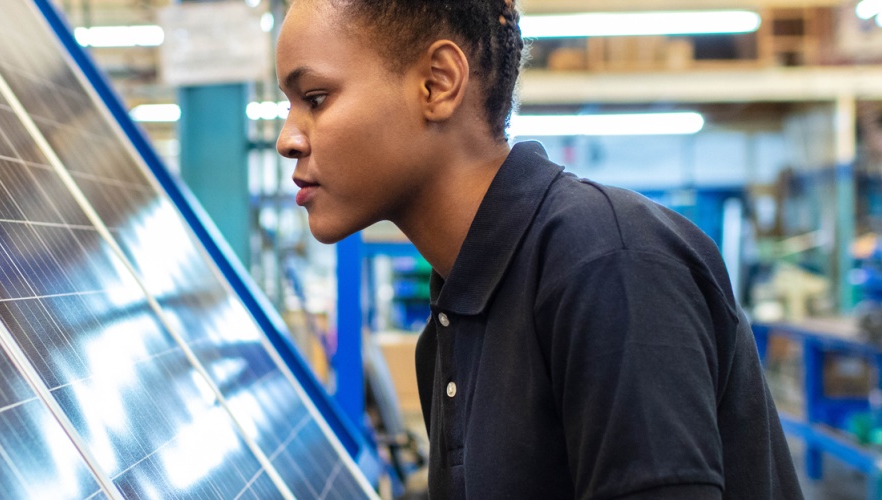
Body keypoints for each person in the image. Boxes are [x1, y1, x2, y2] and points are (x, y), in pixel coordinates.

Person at [273, 0, 802, 498]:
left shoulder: (608, 265)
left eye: (315, 99)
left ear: (437, 83)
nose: (287, 138)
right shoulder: (450, 328)